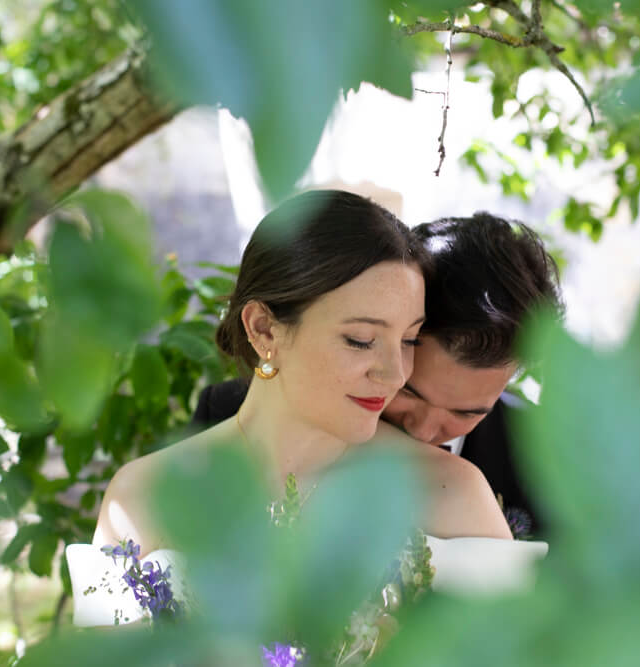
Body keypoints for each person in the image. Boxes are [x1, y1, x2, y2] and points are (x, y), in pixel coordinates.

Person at [93, 190, 512, 555]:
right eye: (361, 340)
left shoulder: (451, 494)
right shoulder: (141, 496)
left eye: (408, 340)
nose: (396, 375)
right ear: (263, 329)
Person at [193, 212, 562, 537]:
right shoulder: (225, 416)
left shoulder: (547, 462)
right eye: (411, 393)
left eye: (465, 413)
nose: (423, 432)